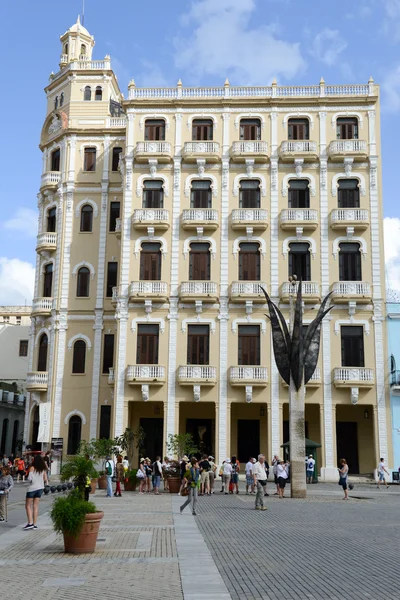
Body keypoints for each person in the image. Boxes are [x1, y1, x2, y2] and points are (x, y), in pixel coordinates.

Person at [23, 455, 48, 530]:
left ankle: (30, 523)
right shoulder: (43, 469)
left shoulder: (32, 468)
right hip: (40, 488)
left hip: (32, 488)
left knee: (28, 506)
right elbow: (45, 479)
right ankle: (34, 524)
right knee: (35, 506)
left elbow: (30, 479)